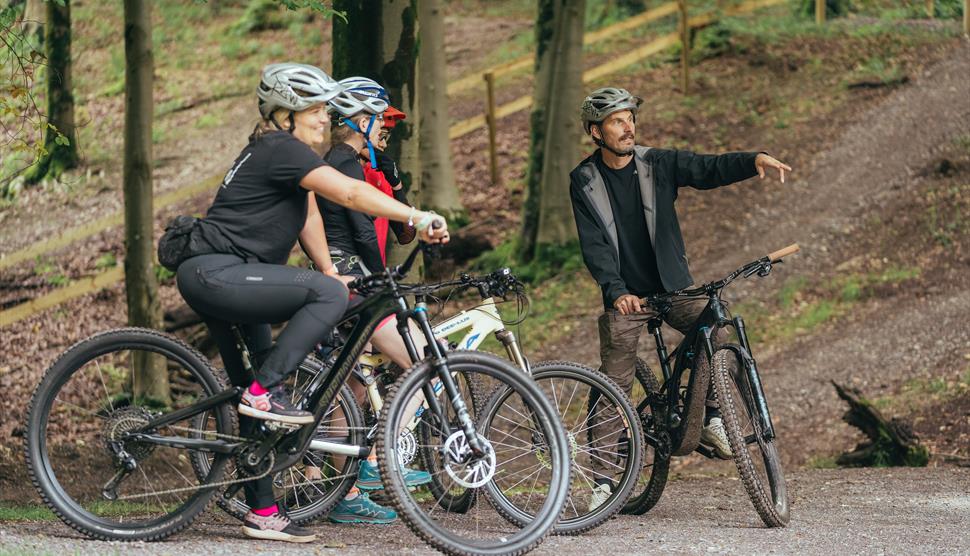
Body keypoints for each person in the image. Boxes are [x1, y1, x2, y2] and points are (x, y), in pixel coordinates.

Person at [174, 63, 448, 542]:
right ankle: (266, 391)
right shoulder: (280, 148)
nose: (326, 118)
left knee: (253, 405)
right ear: (285, 115)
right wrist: (415, 215)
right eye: (316, 110)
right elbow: (349, 191)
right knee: (324, 303)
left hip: (228, 276)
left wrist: (326, 269)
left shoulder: (281, 154)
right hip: (222, 273)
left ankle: (263, 511)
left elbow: (309, 215)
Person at [569, 86, 791, 511]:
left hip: (673, 289)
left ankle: (709, 414)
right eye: (617, 120)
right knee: (613, 381)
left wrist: (752, 160)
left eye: (630, 118)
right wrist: (617, 293)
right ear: (596, 132)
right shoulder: (584, 180)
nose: (628, 126)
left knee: (717, 324)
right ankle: (603, 478)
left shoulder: (659, 163)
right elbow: (594, 244)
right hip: (627, 298)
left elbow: (707, 168)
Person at [302, 76, 430, 525]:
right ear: (361, 118)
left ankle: (347, 494)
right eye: (383, 121)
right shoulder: (344, 163)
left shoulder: (355, 161)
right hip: (355, 280)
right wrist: (384, 284)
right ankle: (379, 464)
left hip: (343, 281)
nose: (387, 130)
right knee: (430, 363)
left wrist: (398, 190)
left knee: (352, 391)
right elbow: (359, 231)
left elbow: (400, 231)